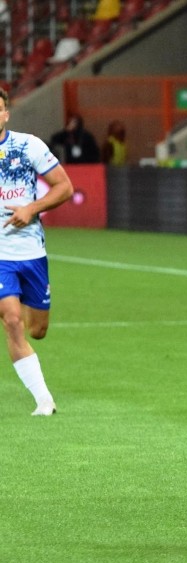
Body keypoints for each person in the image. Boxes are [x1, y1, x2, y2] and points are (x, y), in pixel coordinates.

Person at [0, 88, 74, 415]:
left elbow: (65, 187)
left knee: (37, 330)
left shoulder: (29, 145)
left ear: (5, 114)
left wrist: (31, 209)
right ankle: (44, 400)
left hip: (31, 251)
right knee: (12, 320)